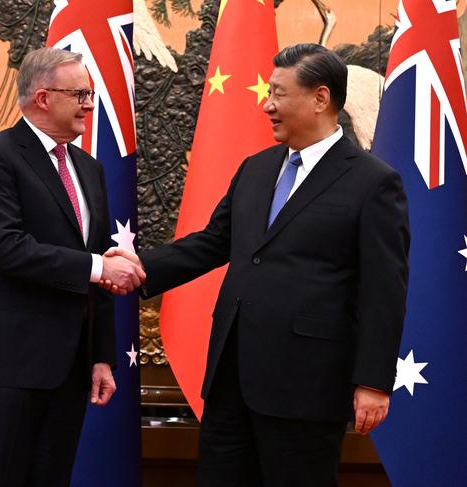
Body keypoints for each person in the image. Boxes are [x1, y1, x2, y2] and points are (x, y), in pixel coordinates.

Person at [105, 44, 410, 486]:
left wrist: (374, 382)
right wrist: (140, 267)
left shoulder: (374, 182)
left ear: (320, 98)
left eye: (278, 94)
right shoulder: (256, 168)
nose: (267, 105)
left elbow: (385, 290)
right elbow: (214, 242)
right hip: (232, 376)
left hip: (307, 386)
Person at [0, 47, 145, 487]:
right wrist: (99, 267)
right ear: (43, 98)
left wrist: (100, 357)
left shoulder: (89, 168)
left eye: (90, 94)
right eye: (81, 94)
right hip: (9, 362)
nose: (88, 105)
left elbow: (95, 263)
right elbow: (5, 248)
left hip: (70, 366)